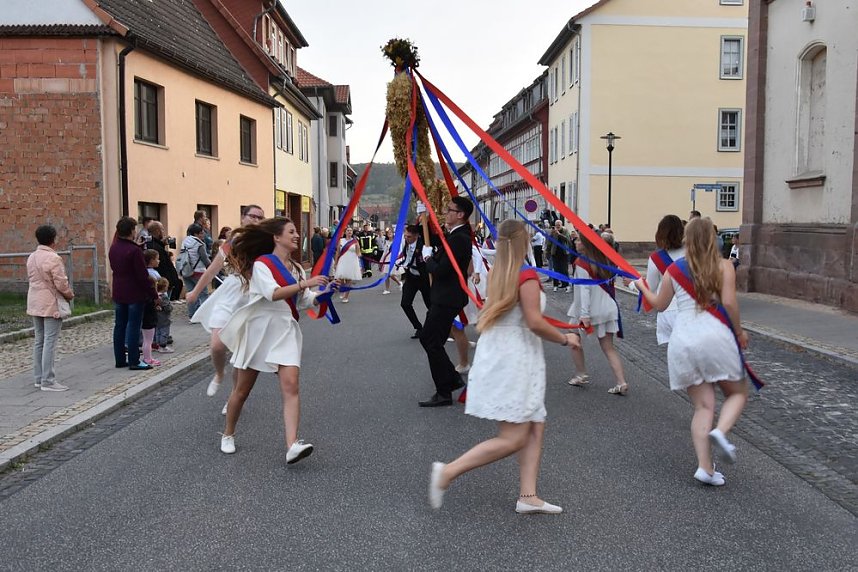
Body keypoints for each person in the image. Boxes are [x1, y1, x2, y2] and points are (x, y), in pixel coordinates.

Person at [428, 220, 581, 513]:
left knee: (535, 424)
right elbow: (534, 322)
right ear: (524, 242)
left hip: (504, 353)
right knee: (514, 437)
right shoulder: (526, 275)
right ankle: (447, 472)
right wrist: (566, 339)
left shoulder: (500, 272)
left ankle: (528, 496)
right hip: (515, 357)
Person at [634, 218, 750, 486]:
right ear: (713, 239)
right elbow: (730, 303)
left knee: (703, 406)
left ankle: (705, 468)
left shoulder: (674, 270)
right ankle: (721, 432)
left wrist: (642, 287)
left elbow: (659, 305)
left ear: (687, 240)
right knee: (737, 393)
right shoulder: (724, 266)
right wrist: (740, 332)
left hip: (683, 339)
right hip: (715, 336)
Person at [217, 217, 334, 461]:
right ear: (276, 237)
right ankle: (228, 433)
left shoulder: (297, 268)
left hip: (285, 330)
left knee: (292, 386)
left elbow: (304, 301)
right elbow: (273, 294)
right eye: (291, 232)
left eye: (296, 232)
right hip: (260, 330)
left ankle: (292, 445)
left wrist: (324, 293)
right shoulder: (263, 264)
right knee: (242, 391)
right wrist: (306, 283)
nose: (296, 235)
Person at [189, 204, 265, 409]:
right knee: (217, 345)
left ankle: (233, 397)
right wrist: (195, 292)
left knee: (241, 356)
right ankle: (219, 373)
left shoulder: (266, 242)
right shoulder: (232, 242)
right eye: (253, 216)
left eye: (260, 217)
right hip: (231, 292)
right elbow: (213, 269)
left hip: (252, 296)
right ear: (243, 218)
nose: (256, 220)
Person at [418, 196, 474, 407]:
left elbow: (442, 270)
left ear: (460, 215)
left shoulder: (459, 238)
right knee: (433, 340)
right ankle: (449, 381)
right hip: (444, 297)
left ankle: (445, 388)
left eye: (450, 210)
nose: (446, 212)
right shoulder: (455, 235)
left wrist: (428, 259)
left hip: (447, 298)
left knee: (429, 340)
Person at [566, 232, 629, 395]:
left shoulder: (581, 262)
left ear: (586, 244)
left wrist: (584, 314)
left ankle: (581, 374)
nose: (575, 242)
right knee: (609, 348)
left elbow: (584, 289)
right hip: (606, 307)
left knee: (573, 339)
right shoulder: (603, 260)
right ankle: (621, 382)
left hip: (586, 308)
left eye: (579, 240)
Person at [26, 224, 75, 391]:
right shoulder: (54, 258)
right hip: (51, 303)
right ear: (53, 239)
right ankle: (48, 380)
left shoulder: (31, 257)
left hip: (35, 301)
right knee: (49, 342)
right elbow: (61, 283)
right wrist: (69, 294)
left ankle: (38, 378)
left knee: (39, 341)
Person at [110, 216, 156, 371]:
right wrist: (153, 294)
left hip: (118, 290)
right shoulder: (134, 251)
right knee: (133, 326)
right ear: (131, 230)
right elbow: (142, 276)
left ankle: (119, 359)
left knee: (120, 325)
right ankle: (134, 360)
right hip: (134, 292)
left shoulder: (114, 247)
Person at [644, 215, 685, 345]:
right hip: (692, 311)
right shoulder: (693, 253)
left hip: (669, 311)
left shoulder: (656, 259)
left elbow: (650, 288)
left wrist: (634, 285)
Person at [399, 224, 431, 339]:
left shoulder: (423, 246)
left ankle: (433, 328)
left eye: (409, 237)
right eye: (405, 236)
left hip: (423, 278)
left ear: (416, 236)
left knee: (430, 306)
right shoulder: (406, 245)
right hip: (411, 278)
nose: (407, 238)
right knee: (405, 303)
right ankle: (418, 327)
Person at [181, 223, 211, 319]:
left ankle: (192, 315)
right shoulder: (199, 244)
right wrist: (211, 267)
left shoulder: (184, 242)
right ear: (196, 234)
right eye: (202, 233)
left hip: (186, 270)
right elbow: (204, 259)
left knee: (191, 292)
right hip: (198, 271)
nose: (203, 235)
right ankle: (203, 315)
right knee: (203, 293)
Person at [147, 222, 182, 301]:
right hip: (163, 283)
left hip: (165, 281)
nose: (163, 232)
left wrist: (162, 244)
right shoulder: (154, 246)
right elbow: (163, 266)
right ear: (157, 231)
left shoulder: (156, 244)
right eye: (162, 229)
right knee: (164, 305)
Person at [334, 226, 362, 303]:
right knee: (342, 278)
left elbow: (358, 252)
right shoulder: (341, 241)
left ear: (352, 232)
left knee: (349, 279)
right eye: (348, 230)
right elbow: (338, 252)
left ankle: (346, 296)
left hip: (352, 261)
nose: (349, 232)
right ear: (345, 232)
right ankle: (343, 291)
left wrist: (360, 255)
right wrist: (335, 263)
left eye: (350, 230)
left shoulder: (355, 241)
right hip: (343, 260)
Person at [546, 220, 571, 292]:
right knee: (556, 269)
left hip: (564, 253)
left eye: (559, 225)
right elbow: (549, 242)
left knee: (564, 270)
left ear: (561, 225)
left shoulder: (565, 231)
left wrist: (559, 234)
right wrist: (547, 252)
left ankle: (566, 285)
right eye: (556, 225)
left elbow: (568, 240)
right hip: (555, 253)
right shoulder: (553, 232)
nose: (557, 226)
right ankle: (555, 285)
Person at [141, 277, 160, 367]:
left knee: (146, 340)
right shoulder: (151, 298)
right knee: (148, 341)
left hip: (145, 320)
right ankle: (148, 358)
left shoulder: (143, 297)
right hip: (149, 321)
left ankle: (148, 357)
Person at [378, 227, 402, 295]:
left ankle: (399, 283)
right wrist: (381, 260)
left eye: (391, 233)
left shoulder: (397, 241)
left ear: (393, 233)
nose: (389, 234)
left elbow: (399, 251)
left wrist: (399, 259)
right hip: (387, 259)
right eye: (388, 233)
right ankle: (387, 289)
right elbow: (385, 252)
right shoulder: (386, 241)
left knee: (391, 275)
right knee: (386, 275)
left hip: (394, 259)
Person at [154, 278, 174, 353]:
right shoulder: (164, 297)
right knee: (164, 332)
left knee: (157, 331)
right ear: (164, 287)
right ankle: (163, 346)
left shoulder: (155, 296)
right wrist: (171, 307)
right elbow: (167, 308)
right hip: (164, 318)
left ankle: (157, 344)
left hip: (157, 318)